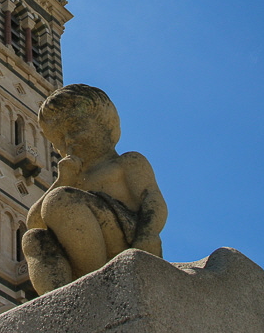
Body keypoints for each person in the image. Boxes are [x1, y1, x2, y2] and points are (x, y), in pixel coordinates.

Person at [23, 84, 167, 295]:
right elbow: (33, 222)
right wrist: (64, 180)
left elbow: (153, 200)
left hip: (125, 239)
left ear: (106, 124)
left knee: (59, 201)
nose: (69, 140)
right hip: (81, 246)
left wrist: (147, 235)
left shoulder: (127, 162)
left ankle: (96, 283)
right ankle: (62, 298)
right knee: (33, 238)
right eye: (59, 139)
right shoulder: (71, 183)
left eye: (75, 127)